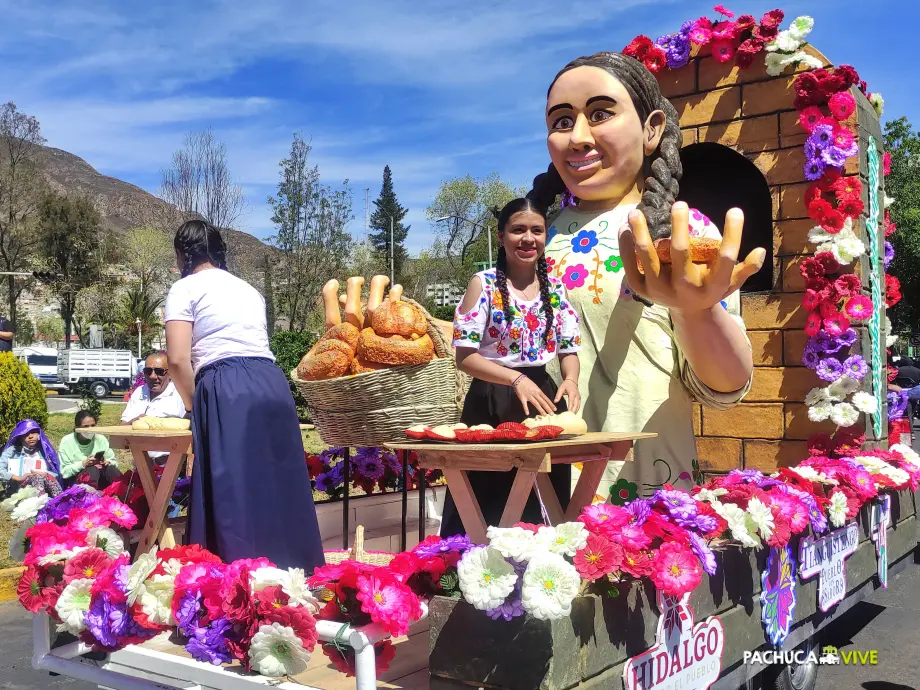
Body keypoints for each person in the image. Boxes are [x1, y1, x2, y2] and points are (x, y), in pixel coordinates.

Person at [528, 52, 765, 500]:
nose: (578, 137)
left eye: (600, 114)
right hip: (536, 486)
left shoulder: (684, 234)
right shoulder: (534, 238)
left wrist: (698, 311)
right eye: (561, 122)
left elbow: (726, 386)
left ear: (652, 128)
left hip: (646, 491)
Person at [164, 219, 323, 570]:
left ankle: (234, 586)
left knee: (231, 489)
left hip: (227, 383)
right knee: (278, 487)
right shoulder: (249, 290)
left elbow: (176, 359)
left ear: (181, 255)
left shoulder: (185, 288)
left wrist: (195, 407)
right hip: (271, 382)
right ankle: (297, 576)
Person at [440, 198, 582, 536]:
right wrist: (515, 379)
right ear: (501, 236)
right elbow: (465, 357)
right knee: (490, 494)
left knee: (545, 493)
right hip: (491, 401)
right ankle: (475, 571)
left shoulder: (556, 289)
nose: (528, 238)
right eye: (518, 230)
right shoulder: (483, 284)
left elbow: (569, 348)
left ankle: (541, 571)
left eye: (537, 230)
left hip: (543, 401)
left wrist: (572, 381)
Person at [121, 352, 187, 461]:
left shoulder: (180, 394)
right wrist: (133, 422)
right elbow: (122, 428)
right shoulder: (139, 392)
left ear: (170, 373)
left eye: (159, 371)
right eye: (148, 371)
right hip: (140, 462)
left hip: (171, 463)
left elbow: (189, 430)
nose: (153, 376)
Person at [58, 411, 122, 488]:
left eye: (93, 425)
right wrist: (83, 464)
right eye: (86, 426)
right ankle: (90, 498)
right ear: (77, 427)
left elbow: (114, 462)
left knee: (112, 470)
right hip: (79, 480)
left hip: (101, 476)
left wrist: (107, 462)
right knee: (92, 470)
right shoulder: (67, 441)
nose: (90, 429)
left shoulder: (100, 438)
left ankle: (126, 496)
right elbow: (64, 472)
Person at [1, 420, 63, 496]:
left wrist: (45, 474)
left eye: (33, 433)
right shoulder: (12, 451)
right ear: (20, 437)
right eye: (25, 434)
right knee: (36, 477)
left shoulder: (44, 451)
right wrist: (18, 478)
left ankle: (60, 500)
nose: (30, 436)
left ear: (39, 435)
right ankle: (38, 503)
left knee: (42, 477)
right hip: (18, 490)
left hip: (44, 487)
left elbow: (55, 471)